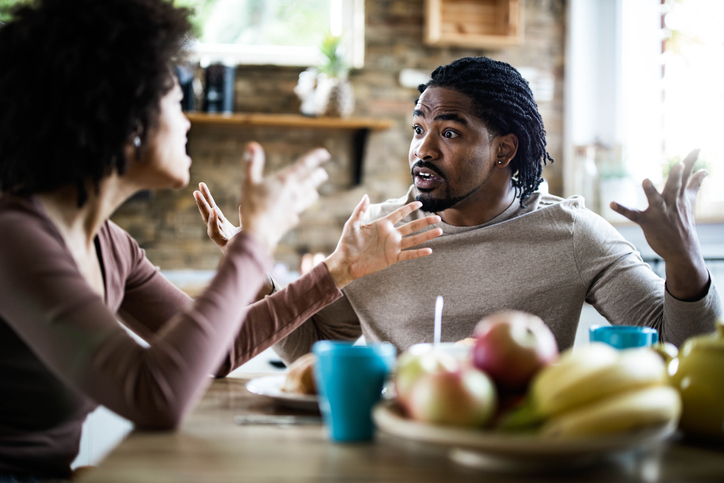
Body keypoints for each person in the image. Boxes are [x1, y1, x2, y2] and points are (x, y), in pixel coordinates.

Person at [0, 0, 442, 479]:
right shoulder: (14, 238)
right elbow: (154, 395)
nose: (187, 121)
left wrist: (340, 268)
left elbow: (218, 352)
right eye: (175, 102)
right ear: (127, 122)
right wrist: (256, 243)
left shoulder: (111, 245)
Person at [204, 56, 721, 364]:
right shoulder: (376, 232)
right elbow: (311, 347)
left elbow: (682, 346)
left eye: (448, 132)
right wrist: (255, 272)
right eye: (418, 129)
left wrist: (684, 261)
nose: (422, 149)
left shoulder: (573, 235)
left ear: (504, 150)